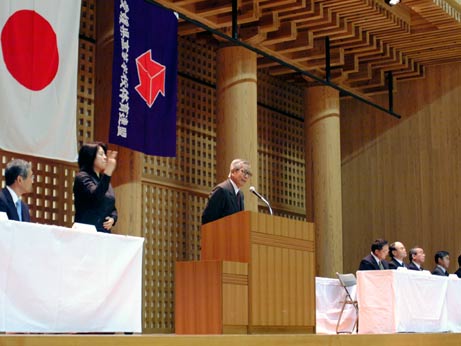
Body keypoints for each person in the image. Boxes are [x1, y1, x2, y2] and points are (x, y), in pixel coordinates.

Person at [73, 142, 118, 233]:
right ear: (91, 157)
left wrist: (113, 218)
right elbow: (96, 196)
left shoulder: (103, 179)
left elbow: (111, 204)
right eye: (101, 154)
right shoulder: (82, 177)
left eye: (105, 154)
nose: (105, 157)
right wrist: (108, 171)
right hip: (86, 231)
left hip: (104, 232)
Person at [201, 159, 251, 225]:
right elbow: (208, 219)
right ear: (233, 172)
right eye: (243, 172)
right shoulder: (221, 190)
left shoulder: (240, 195)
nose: (246, 176)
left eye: (248, 174)